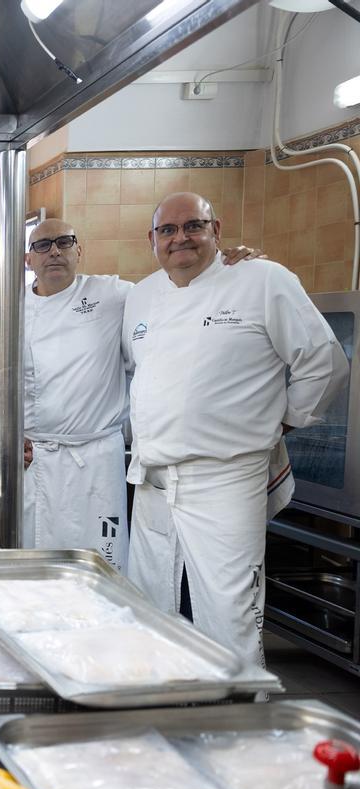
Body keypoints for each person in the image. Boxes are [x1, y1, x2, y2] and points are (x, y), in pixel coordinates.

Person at [122, 192, 347, 667]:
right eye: (168, 230)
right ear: (152, 240)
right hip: (154, 481)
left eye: (193, 226)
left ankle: (235, 722)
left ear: (216, 231)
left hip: (224, 478)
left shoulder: (262, 280)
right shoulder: (141, 295)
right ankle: (161, 702)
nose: (180, 237)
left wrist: (285, 419)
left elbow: (324, 363)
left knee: (229, 611)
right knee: (149, 604)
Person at [0, 222, 269, 569]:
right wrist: (8, 436)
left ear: (79, 251)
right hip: (32, 460)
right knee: (30, 564)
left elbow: (181, 286)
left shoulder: (113, 295)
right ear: (28, 259)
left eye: (64, 242)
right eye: (42, 245)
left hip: (96, 460)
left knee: (101, 563)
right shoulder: (8, 311)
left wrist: (229, 268)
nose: (54, 251)